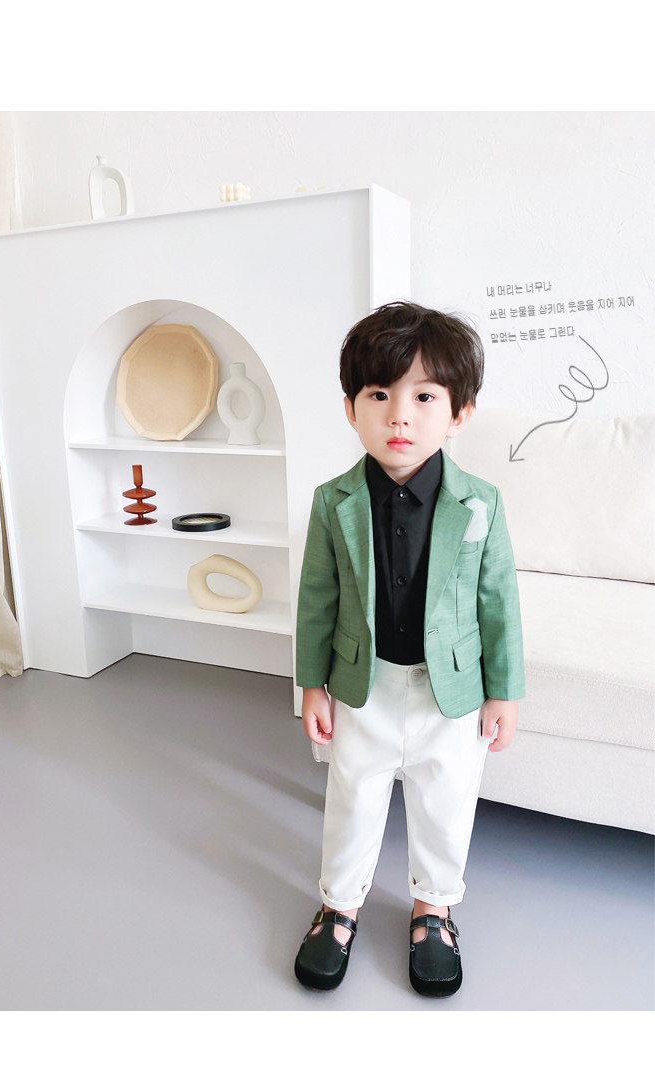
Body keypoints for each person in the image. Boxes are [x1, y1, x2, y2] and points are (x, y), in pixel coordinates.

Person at [293, 301, 525, 995]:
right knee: (353, 798)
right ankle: (339, 907)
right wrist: (311, 684)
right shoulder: (332, 501)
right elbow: (317, 599)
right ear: (350, 409)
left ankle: (435, 909)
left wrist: (504, 692)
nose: (400, 416)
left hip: (448, 691)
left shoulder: (481, 503)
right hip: (363, 685)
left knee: (446, 802)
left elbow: (498, 602)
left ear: (459, 414)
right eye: (379, 395)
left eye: (424, 397)